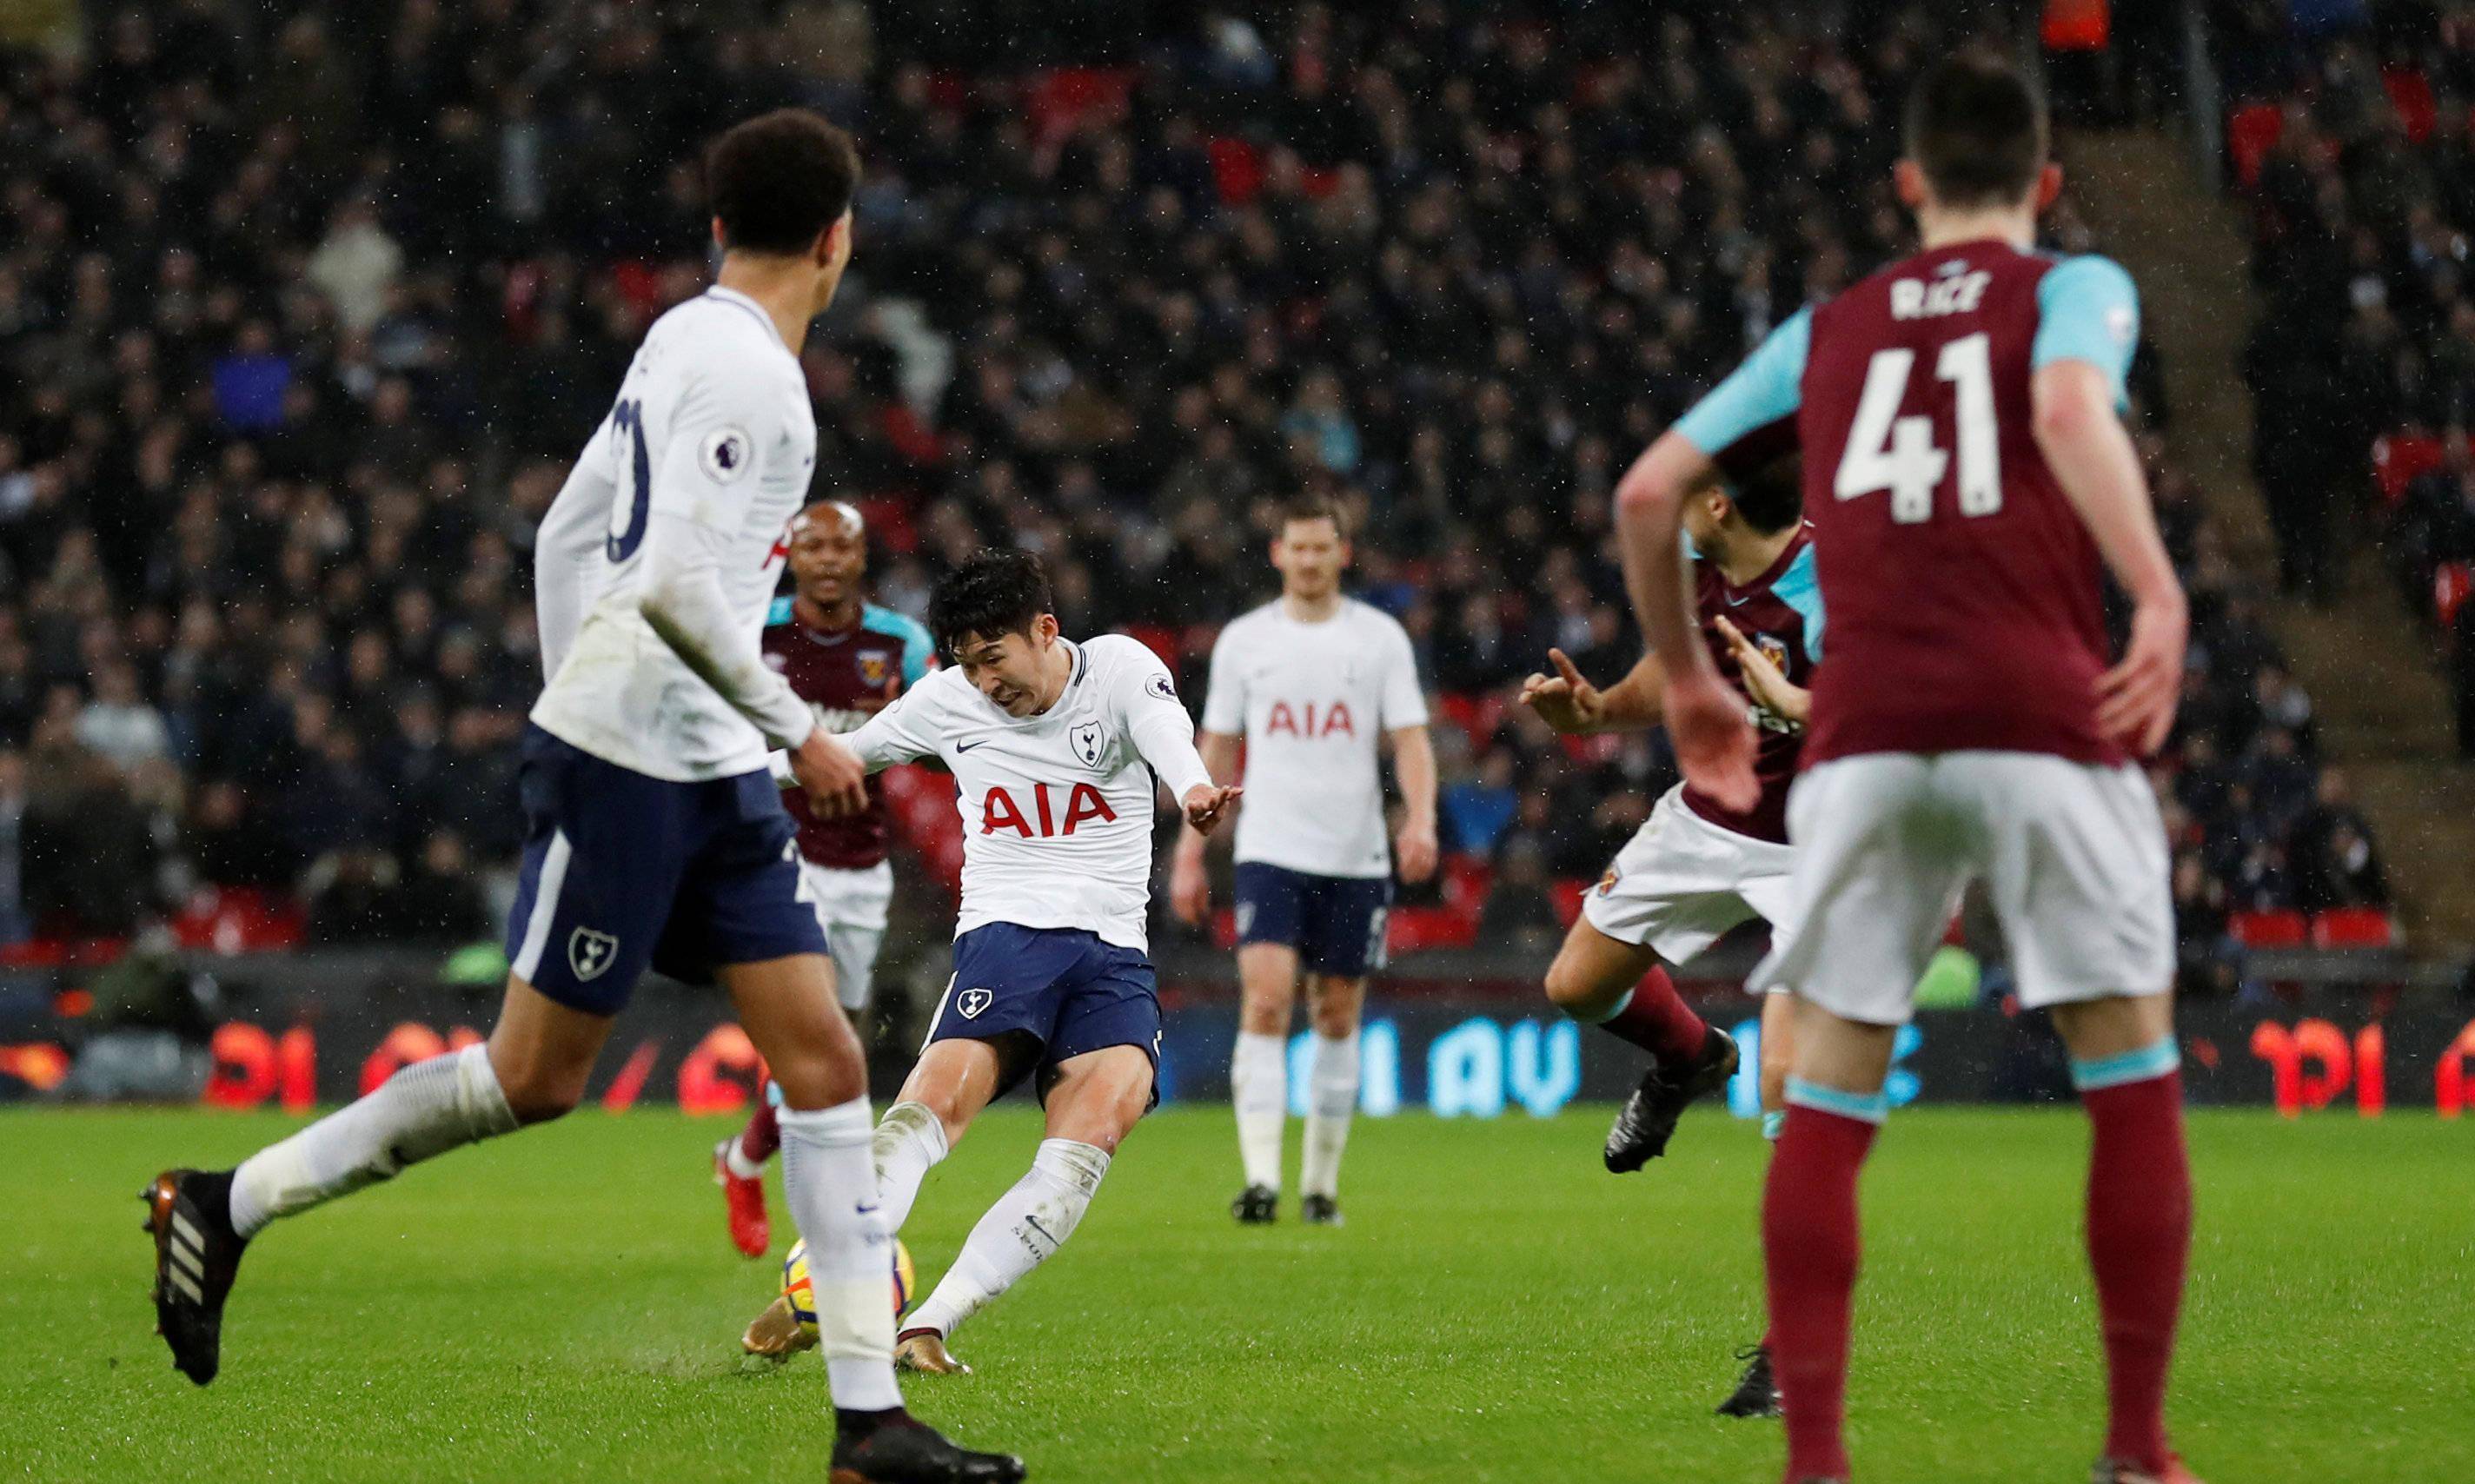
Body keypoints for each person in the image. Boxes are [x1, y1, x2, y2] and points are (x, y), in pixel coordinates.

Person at [141, 109, 1023, 1484]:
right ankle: (223, 1203)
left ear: (722, 227)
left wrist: (607, 682)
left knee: (828, 1065)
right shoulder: (755, 381)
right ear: (839, 239)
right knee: (532, 1079)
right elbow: (671, 581)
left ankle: (870, 1429)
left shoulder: (684, 334)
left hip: (701, 767)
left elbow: (568, 531)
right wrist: (798, 732)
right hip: (637, 769)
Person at [1613, 53, 2198, 1484]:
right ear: (2044, 187)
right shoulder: (2071, 287)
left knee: (1827, 1098)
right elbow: (2064, 413)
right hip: (2040, 714)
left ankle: (1815, 1456)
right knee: (2128, 1075)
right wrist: (2159, 595)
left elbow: (1644, 489)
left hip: (1863, 739)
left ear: (1907, 186)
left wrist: (1685, 681)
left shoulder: (1830, 327)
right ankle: (2132, 1446)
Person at [740, 549, 1238, 1375]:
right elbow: (840, 758)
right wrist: (704, 793)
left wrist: (1191, 791)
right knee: (934, 1107)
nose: (983, 682)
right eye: (967, 665)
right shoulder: (945, 703)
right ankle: (829, 1273)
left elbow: (1165, 738)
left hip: (1115, 953)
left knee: (1097, 1132)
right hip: (1009, 937)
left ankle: (928, 1323)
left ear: (1045, 630)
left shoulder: (1118, 669)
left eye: (993, 658)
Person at [1517, 455, 1818, 1421]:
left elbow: (1906, 691)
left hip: (1821, 838)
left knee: (1788, 1086)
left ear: (1720, 504)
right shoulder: (1703, 571)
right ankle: (1690, 1058)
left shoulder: (1836, 576)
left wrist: (1807, 708)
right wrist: (1602, 709)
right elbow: (1677, 665)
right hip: (1707, 815)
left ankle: (1790, 1349)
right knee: (1577, 984)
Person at [1166, 494, 1437, 1228]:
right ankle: (1260, 1181)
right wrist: (1191, 852)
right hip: (1270, 849)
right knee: (1264, 998)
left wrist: (1422, 819)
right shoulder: (1246, 642)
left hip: (1355, 854)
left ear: (1342, 555)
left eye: (1324, 549)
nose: (1311, 560)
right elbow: (1216, 748)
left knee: (1338, 1013)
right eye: (1299, 548)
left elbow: (1410, 738)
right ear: (1278, 553)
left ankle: (1319, 1186)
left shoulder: (1379, 638)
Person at [714, 500, 937, 1259]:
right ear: (793, 556)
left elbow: (943, 728)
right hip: (772, 856)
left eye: (844, 547)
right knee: (815, 1046)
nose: (831, 560)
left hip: (861, 869)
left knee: (832, 1051)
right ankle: (833, 1221)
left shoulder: (900, 644)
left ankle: (742, 1160)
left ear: (863, 557)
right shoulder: (755, 632)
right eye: (815, 547)